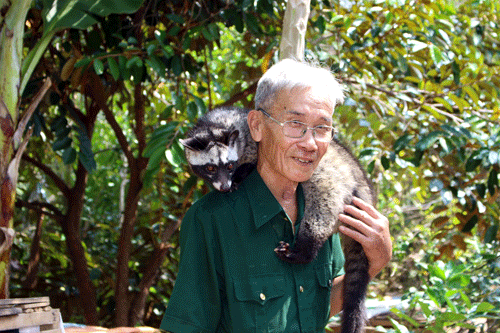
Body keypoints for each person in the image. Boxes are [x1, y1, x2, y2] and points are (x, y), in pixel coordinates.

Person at [160, 59, 392, 332]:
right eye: (295, 123)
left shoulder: (320, 209)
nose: (310, 143)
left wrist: (376, 260)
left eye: (322, 128)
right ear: (256, 126)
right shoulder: (211, 220)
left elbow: (316, 306)